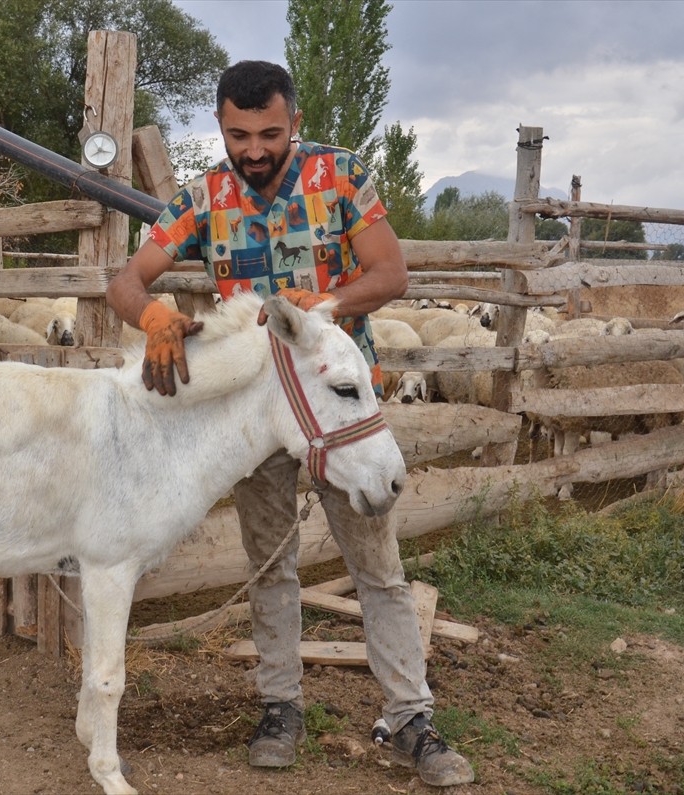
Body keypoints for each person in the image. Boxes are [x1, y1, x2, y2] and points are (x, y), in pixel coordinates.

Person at [105, 60, 474, 787]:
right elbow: (124, 278)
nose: (254, 148)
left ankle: (409, 716)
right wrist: (151, 315)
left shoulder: (339, 175)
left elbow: (390, 274)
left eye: (269, 132)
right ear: (221, 127)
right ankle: (280, 706)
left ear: (294, 123)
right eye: (239, 134)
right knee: (270, 562)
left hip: (337, 406)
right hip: (255, 416)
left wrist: (324, 306)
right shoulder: (204, 195)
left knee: (376, 564)